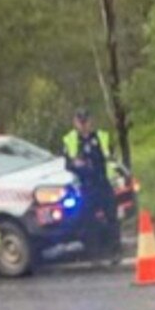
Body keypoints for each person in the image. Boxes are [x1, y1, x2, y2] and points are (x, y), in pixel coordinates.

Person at [62, 108, 121, 262]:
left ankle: (115, 252)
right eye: (80, 122)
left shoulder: (101, 137)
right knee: (89, 221)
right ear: (75, 123)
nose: (83, 125)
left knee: (111, 218)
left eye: (85, 121)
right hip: (86, 186)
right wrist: (78, 164)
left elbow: (110, 157)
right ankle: (95, 255)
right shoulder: (70, 140)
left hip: (103, 182)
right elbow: (68, 164)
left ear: (90, 122)